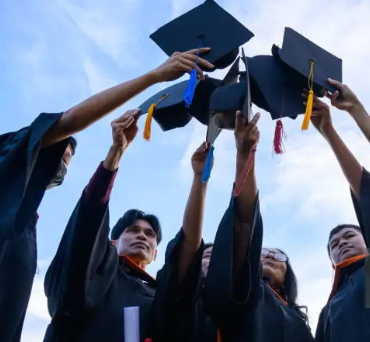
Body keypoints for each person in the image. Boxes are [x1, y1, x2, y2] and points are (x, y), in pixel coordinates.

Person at [0, 48, 211, 342]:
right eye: (60, 154)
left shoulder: (24, 222)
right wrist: (154, 78)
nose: (61, 167)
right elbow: (66, 125)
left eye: (151, 234)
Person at [44, 110, 163, 342]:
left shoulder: (161, 294)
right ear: (112, 242)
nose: (142, 237)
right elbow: (89, 220)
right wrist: (116, 152)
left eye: (150, 235)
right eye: (132, 230)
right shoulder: (97, 274)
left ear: (156, 253)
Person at [202, 111, 314, 341]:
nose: (272, 256)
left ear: (289, 275)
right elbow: (244, 224)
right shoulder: (246, 296)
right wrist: (245, 154)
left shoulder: (300, 323)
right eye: (264, 253)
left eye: (279, 255)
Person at [303, 81, 370, 342]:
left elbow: (365, 189)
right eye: (334, 244)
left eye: (349, 237)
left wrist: (354, 110)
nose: (341, 243)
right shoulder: (329, 309)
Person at [150, 142, 218, 342]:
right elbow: (190, 243)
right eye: (205, 255)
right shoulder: (186, 298)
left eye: (218, 258)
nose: (212, 260)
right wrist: (200, 178)